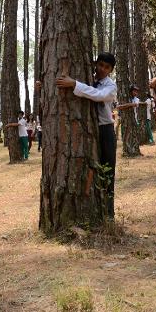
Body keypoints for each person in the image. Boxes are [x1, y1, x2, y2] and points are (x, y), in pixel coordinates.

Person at [56, 52, 118, 217]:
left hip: (105, 131)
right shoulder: (88, 78)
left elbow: (98, 96)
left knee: (107, 170)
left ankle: (108, 213)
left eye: (107, 67)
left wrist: (74, 84)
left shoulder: (110, 86)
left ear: (111, 70)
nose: (102, 69)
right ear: (95, 64)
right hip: (86, 129)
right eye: (100, 65)